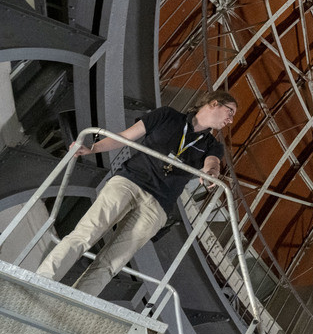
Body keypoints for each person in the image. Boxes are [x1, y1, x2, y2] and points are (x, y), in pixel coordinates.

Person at [36, 89, 237, 295]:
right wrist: (93, 148)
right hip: (130, 182)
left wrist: (211, 172)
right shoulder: (167, 115)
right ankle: (41, 282)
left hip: (158, 205)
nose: (230, 120)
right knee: (85, 234)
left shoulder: (213, 146)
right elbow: (125, 137)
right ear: (214, 104)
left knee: (112, 262)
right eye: (230, 112)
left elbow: (212, 163)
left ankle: (73, 302)